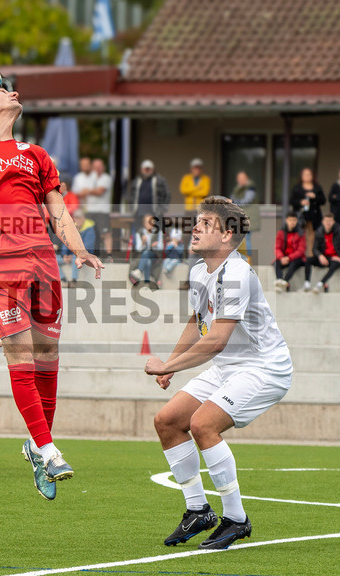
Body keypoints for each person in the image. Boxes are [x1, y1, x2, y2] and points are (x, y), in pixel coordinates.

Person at [0, 78, 104, 500]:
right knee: (21, 352)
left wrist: (80, 249)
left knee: (48, 354)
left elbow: (59, 211)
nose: (14, 93)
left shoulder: (37, 154)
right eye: (3, 89)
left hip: (44, 260)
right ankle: (47, 448)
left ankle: (36, 442)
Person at [145, 196, 291, 550]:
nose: (194, 227)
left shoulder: (237, 273)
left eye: (205, 224)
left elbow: (216, 342)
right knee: (167, 421)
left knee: (203, 424)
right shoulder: (199, 270)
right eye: (196, 221)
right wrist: (171, 365)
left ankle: (237, 520)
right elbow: (199, 325)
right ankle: (198, 511)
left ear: (227, 236)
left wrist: (169, 366)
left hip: (264, 369)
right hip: (229, 368)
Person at [305, 213, 340, 293]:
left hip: (337, 258)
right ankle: (306, 284)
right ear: (323, 222)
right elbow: (314, 248)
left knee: (335, 264)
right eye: (326, 221)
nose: (328, 223)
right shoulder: (319, 232)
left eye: (330, 221)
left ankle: (320, 284)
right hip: (326, 258)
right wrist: (320, 256)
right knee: (308, 260)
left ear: (334, 222)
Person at [127, 159, 170, 236]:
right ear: (141, 169)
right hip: (139, 213)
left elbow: (167, 194)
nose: (147, 171)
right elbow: (131, 196)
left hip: (155, 212)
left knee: (156, 233)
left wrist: (163, 209)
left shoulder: (159, 180)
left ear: (152, 169)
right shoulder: (136, 181)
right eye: (145, 169)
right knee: (139, 234)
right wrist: (132, 209)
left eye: (149, 169)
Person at [84, 158, 114, 260]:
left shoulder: (106, 178)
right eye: (95, 166)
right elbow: (82, 192)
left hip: (102, 211)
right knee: (91, 232)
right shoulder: (89, 178)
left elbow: (100, 191)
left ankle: (109, 255)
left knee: (105, 233)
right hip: (90, 210)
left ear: (103, 167)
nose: (97, 168)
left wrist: (88, 191)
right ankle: (93, 255)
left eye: (99, 166)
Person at [58, 209, 96, 286]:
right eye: (75, 217)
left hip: (84, 255)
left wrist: (74, 255)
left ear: (83, 218)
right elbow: (66, 241)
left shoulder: (89, 229)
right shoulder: (72, 227)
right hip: (70, 255)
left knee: (75, 258)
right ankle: (63, 280)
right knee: (53, 259)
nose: (77, 220)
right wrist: (64, 255)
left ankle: (74, 281)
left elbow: (87, 246)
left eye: (79, 218)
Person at [272, 212, 309, 292]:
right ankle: (279, 279)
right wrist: (281, 257)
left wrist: (289, 258)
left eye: (294, 220)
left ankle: (285, 281)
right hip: (284, 257)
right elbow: (277, 248)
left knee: (294, 263)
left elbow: (301, 250)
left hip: (297, 258)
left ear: (297, 221)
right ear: (286, 221)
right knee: (276, 262)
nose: (292, 222)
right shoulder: (281, 233)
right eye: (290, 220)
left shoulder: (301, 233)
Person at [289, 167, 325, 246]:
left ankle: (311, 256)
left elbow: (323, 201)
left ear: (312, 176)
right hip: (301, 216)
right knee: (299, 236)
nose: (307, 176)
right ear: (301, 176)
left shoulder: (317, 188)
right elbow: (291, 201)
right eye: (305, 174)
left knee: (313, 237)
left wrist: (315, 197)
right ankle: (300, 256)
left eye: (309, 174)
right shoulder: (297, 188)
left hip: (314, 216)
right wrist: (300, 202)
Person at [132, 213, 165, 287]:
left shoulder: (158, 232)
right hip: (143, 256)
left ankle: (139, 271)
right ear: (144, 223)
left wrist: (155, 246)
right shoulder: (140, 232)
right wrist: (143, 243)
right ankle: (147, 283)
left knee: (147, 254)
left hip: (154, 255)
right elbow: (138, 248)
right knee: (148, 261)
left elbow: (161, 247)